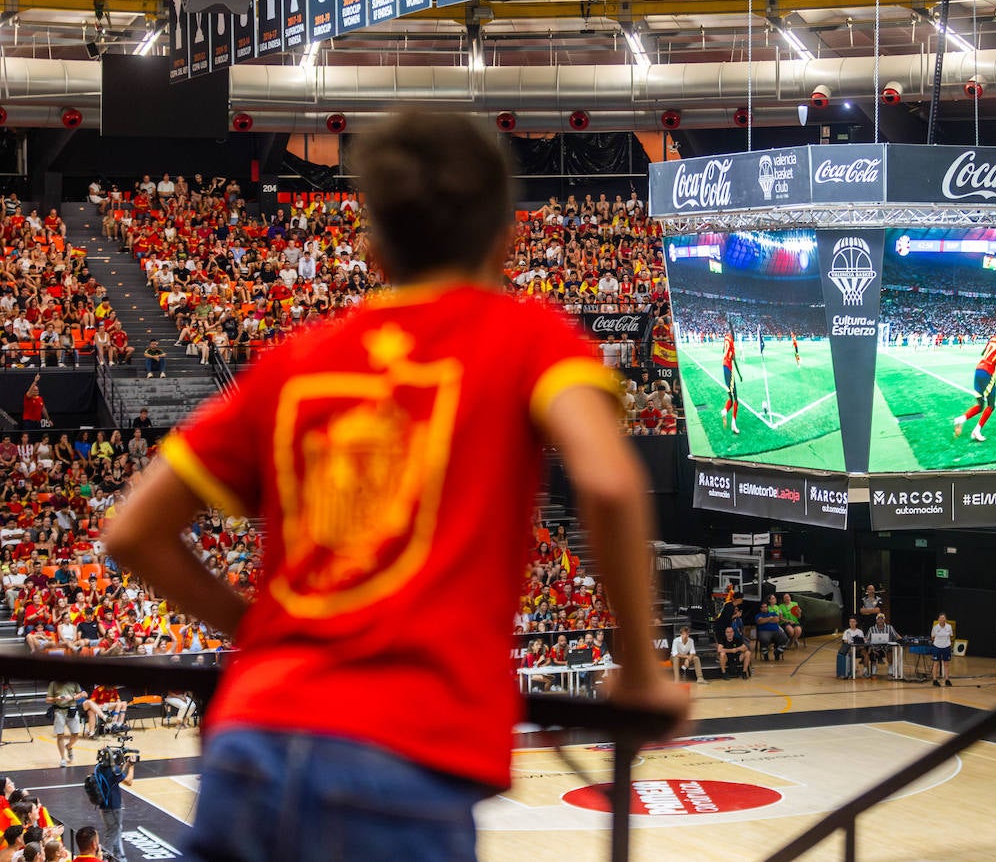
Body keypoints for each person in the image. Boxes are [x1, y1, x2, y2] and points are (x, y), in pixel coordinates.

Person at [102, 111, 687, 862]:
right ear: (508, 240)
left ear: (372, 253)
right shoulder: (528, 335)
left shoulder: (293, 361)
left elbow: (132, 531)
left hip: (253, 740)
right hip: (400, 752)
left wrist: (257, 632)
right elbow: (607, 481)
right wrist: (639, 670)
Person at [953, 321, 996, 443]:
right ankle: (976, 431)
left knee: (980, 406)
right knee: (991, 405)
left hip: (978, 370)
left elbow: (983, 353)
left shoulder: (994, 338)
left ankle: (961, 419)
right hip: (988, 373)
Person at [89, 751, 133, 862]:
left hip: (104, 806)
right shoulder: (114, 771)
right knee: (112, 831)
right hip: (114, 807)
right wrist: (131, 767)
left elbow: (118, 775)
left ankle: (118, 856)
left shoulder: (99, 768)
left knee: (116, 829)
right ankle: (104, 857)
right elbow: (128, 781)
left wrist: (126, 765)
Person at [44, 681, 83, 767]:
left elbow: (81, 694)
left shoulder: (74, 682)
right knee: (60, 735)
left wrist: (72, 698)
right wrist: (56, 699)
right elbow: (47, 699)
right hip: (59, 712)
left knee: (75, 734)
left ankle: (69, 746)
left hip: (72, 710)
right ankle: (62, 758)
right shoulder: (53, 684)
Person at [864, 613, 900, 679]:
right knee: (871, 652)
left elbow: (897, 636)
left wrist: (902, 639)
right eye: (878, 619)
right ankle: (874, 669)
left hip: (887, 647)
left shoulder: (890, 628)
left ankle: (890, 668)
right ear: (876, 620)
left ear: (884, 620)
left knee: (890, 651)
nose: (880, 620)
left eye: (882, 619)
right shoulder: (871, 629)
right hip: (875, 648)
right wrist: (864, 640)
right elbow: (866, 638)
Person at [720, 326, 742, 434]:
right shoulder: (732, 345)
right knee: (736, 400)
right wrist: (740, 375)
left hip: (724, 369)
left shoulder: (726, 339)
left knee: (730, 398)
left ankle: (724, 411)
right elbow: (735, 362)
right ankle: (733, 424)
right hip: (729, 369)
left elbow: (722, 350)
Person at [931, 613, 954, 687]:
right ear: (938, 619)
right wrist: (938, 643)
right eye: (940, 618)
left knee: (946, 664)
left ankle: (947, 679)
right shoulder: (935, 627)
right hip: (937, 647)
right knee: (936, 664)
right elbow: (932, 637)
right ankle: (934, 680)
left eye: (943, 618)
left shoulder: (949, 627)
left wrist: (947, 644)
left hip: (946, 647)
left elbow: (951, 636)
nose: (942, 620)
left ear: (945, 619)